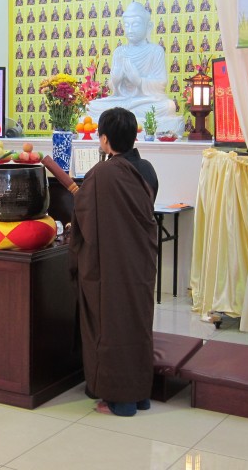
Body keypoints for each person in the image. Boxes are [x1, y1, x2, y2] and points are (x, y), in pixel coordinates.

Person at [69, 107, 159, 416]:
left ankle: (120, 401)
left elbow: (87, 217)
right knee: (138, 324)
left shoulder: (102, 174)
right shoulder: (147, 169)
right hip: (141, 263)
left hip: (112, 265)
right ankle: (140, 395)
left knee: (113, 327)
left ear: (105, 139)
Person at [87, 1, 185, 134]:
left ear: (148, 26)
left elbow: (161, 83)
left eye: (136, 24)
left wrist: (138, 80)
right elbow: (114, 88)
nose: (130, 29)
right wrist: (116, 80)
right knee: (93, 106)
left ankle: (127, 116)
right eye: (127, 25)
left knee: (168, 106)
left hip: (144, 102)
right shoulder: (119, 52)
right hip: (122, 100)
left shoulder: (155, 51)